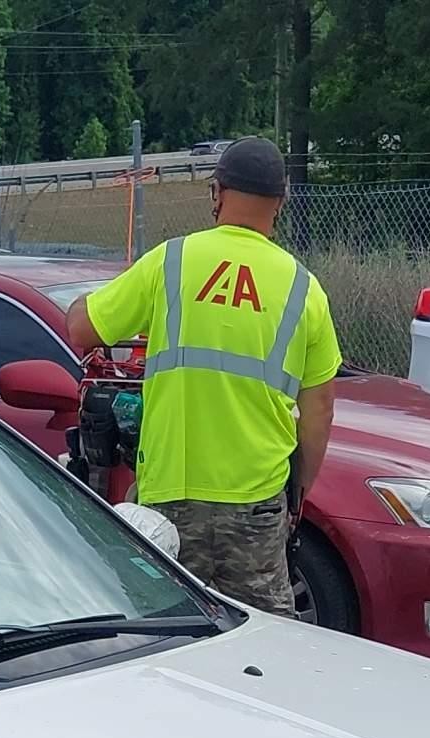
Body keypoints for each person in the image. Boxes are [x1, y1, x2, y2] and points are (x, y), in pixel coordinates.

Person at [65, 137, 340, 616]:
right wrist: (296, 495)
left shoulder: (171, 262)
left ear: (218, 192)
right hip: (256, 502)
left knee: (166, 634)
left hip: (171, 497)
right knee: (264, 641)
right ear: (281, 201)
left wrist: (83, 303)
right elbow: (318, 410)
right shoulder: (304, 289)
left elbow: (81, 330)